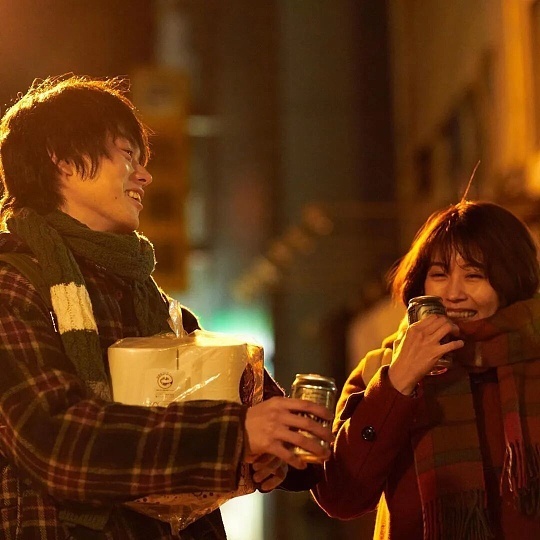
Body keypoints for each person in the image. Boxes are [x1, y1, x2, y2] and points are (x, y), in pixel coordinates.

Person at [0, 75, 333, 539]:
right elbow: (56, 443)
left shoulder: (157, 305)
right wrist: (234, 435)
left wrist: (269, 456)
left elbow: (263, 412)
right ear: (62, 159)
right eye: (126, 153)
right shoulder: (13, 285)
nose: (145, 175)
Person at [312, 200, 540, 539]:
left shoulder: (533, 359)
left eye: (474, 275)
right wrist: (397, 383)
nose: (453, 294)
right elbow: (340, 497)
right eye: (439, 275)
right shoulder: (381, 367)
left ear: (511, 281)